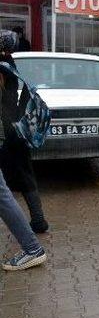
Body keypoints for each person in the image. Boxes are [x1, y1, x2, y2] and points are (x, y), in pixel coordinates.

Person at [0, 30, 46, 271]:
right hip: (15, 128)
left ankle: (36, 226)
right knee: (23, 175)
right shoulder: (10, 63)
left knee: (6, 187)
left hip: (8, 132)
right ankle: (38, 220)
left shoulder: (4, 65)